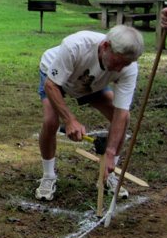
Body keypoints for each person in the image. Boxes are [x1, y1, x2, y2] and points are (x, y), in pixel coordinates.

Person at [35, 25, 145, 201]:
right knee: (51, 121)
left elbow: (121, 113)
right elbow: (51, 85)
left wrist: (110, 152)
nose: (118, 70)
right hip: (56, 79)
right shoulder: (75, 46)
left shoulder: (127, 68)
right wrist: (70, 120)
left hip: (91, 84)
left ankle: (109, 175)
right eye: (116, 63)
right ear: (105, 46)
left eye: (124, 65)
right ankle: (48, 177)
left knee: (124, 119)